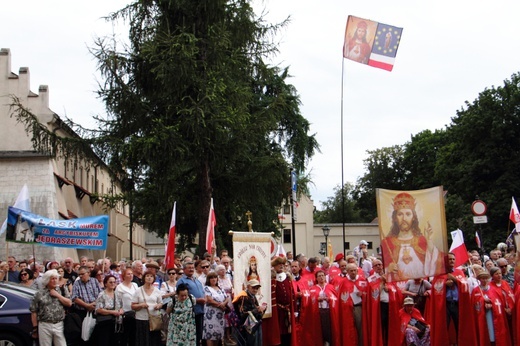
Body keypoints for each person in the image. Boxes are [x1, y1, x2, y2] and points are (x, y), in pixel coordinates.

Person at [380, 192, 445, 281]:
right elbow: (381, 269)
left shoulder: (423, 240)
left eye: (408, 214)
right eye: (400, 214)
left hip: (420, 286)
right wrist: (388, 269)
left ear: (413, 217)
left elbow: (438, 263)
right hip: (398, 287)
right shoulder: (387, 242)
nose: (404, 219)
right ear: (395, 218)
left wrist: (429, 241)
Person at [30, 269, 72, 346]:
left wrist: (57, 295)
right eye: (52, 279)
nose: (55, 281)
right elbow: (34, 311)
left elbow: (69, 303)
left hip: (59, 324)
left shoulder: (62, 289)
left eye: (56, 278)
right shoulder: (39, 294)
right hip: (44, 325)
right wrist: (35, 328)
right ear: (47, 280)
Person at [471, 265, 512, 346]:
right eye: (482, 278)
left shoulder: (493, 289)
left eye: (486, 278)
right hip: (483, 316)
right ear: (479, 279)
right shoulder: (476, 290)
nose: (484, 280)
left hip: (494, 315)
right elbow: (474, 304)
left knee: (495, 333)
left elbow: (498, 301)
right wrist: (483, 302)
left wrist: (491, 303)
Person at [365, 259, 402, 346]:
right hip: (380, 307)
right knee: (381, 327)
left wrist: (388, 288)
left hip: (390, 306)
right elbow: (374, 294)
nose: (378, 266)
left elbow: (396, 291)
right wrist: (382, 283)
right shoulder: (371, 279)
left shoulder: (389, 277)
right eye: (376, 265)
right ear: (373, 268)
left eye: (380, 264)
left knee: (390, 327)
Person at [176, 261, 206, 345]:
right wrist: (197, 300)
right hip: (189, 312)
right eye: (189, 268)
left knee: (199, 334)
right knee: (191, 335)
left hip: (200, 310)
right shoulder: (181, 281)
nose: (191, 269)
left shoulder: (196, 280)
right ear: (184, 269)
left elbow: (203, 292)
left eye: (192, 268)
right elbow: (181, 298)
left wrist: (205, 298)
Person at [308, 270, 340, 346]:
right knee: (320, 331)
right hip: (318, 312)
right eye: (319, 276)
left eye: (323, 275)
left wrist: (329, 299)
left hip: (329, 311)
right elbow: (309, 301)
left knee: (329, 330)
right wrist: (317, 300)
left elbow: (336, 299)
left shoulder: (331, 287)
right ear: (316, 278)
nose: (321, 277)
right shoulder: (312, 288)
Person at [132, 271, 163, 346]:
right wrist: (141, 305)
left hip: (154, 319)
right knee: (143, 341)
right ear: (144, 278)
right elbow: (133, 306)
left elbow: (161, 303)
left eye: (151, 276)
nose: (149, 278)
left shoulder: (157, 291)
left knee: (154, 341)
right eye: (147, 276)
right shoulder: (138, 290)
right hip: (142, 319)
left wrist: (158, 306)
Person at [233, 279, 266, 346]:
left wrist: (262, 309)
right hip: (247, 328)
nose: (255, 290)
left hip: (254, 325)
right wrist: (257, 310)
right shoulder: (243, 297)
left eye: (257, 288)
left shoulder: (252, 296)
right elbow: (243, 314)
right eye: (253, 287)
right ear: (248, 287)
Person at [95, 275, 124, 346]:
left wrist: (120, 311)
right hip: (105, 322)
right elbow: (98, 309)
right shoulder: (102, 295)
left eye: (114, 282)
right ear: (105, 284)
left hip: (116, 323)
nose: (113, 284)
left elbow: (121, 307)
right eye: (110, 282)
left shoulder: (118, 294)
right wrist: (112, 312)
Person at [271, 256, 294, 346]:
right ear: (275, 266)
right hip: (278, 310)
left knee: (288, 332)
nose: (281, 266)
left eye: (282, 264)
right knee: (279, 331)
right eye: (279, 264)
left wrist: (294, 310)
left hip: (287, 309)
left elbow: (292, 294)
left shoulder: (288, 278)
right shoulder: (273, 280)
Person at [203, 272, 229, 345]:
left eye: (215, 277)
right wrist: (220, 305)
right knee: (210, 334)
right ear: (208, 279)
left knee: (218, 334)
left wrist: (224, 304)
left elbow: (227, 297)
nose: (214, 279)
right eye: (211, 278)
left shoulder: (220, 288)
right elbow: (209, 299)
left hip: (220, 315)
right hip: (211, 315)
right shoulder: (206, 288)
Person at [115, 267, 138, 346]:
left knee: (133, 335)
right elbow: (118, 301)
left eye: (132, 274)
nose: (131, 275)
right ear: (124, 276)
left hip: (135, 313)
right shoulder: (119, 287)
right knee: (125, 335)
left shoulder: (135, 285)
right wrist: (119, 311)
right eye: (128, 274)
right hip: (125, 314)